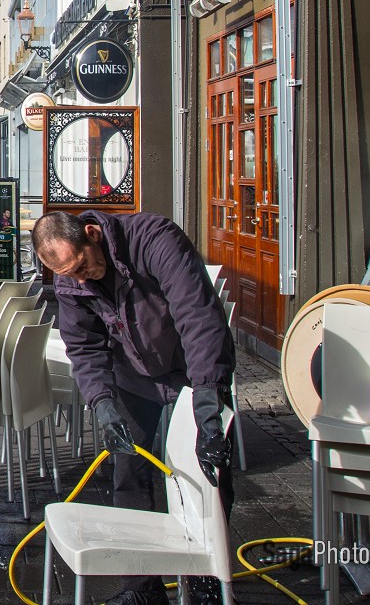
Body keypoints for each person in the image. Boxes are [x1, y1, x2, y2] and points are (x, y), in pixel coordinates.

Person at [30, 209, 235, 605]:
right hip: (133, 376)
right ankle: (142, 590)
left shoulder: (152, 238)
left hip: (189, 372)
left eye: (82, 264)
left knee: (206, 476)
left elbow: (197, 314)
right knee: (128, 476)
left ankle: (210, 585)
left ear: (92, 234)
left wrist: (209, 397)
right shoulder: (72, 282)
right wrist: (103, 404)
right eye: (69, 274)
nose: (80, 277)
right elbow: (85, 348)